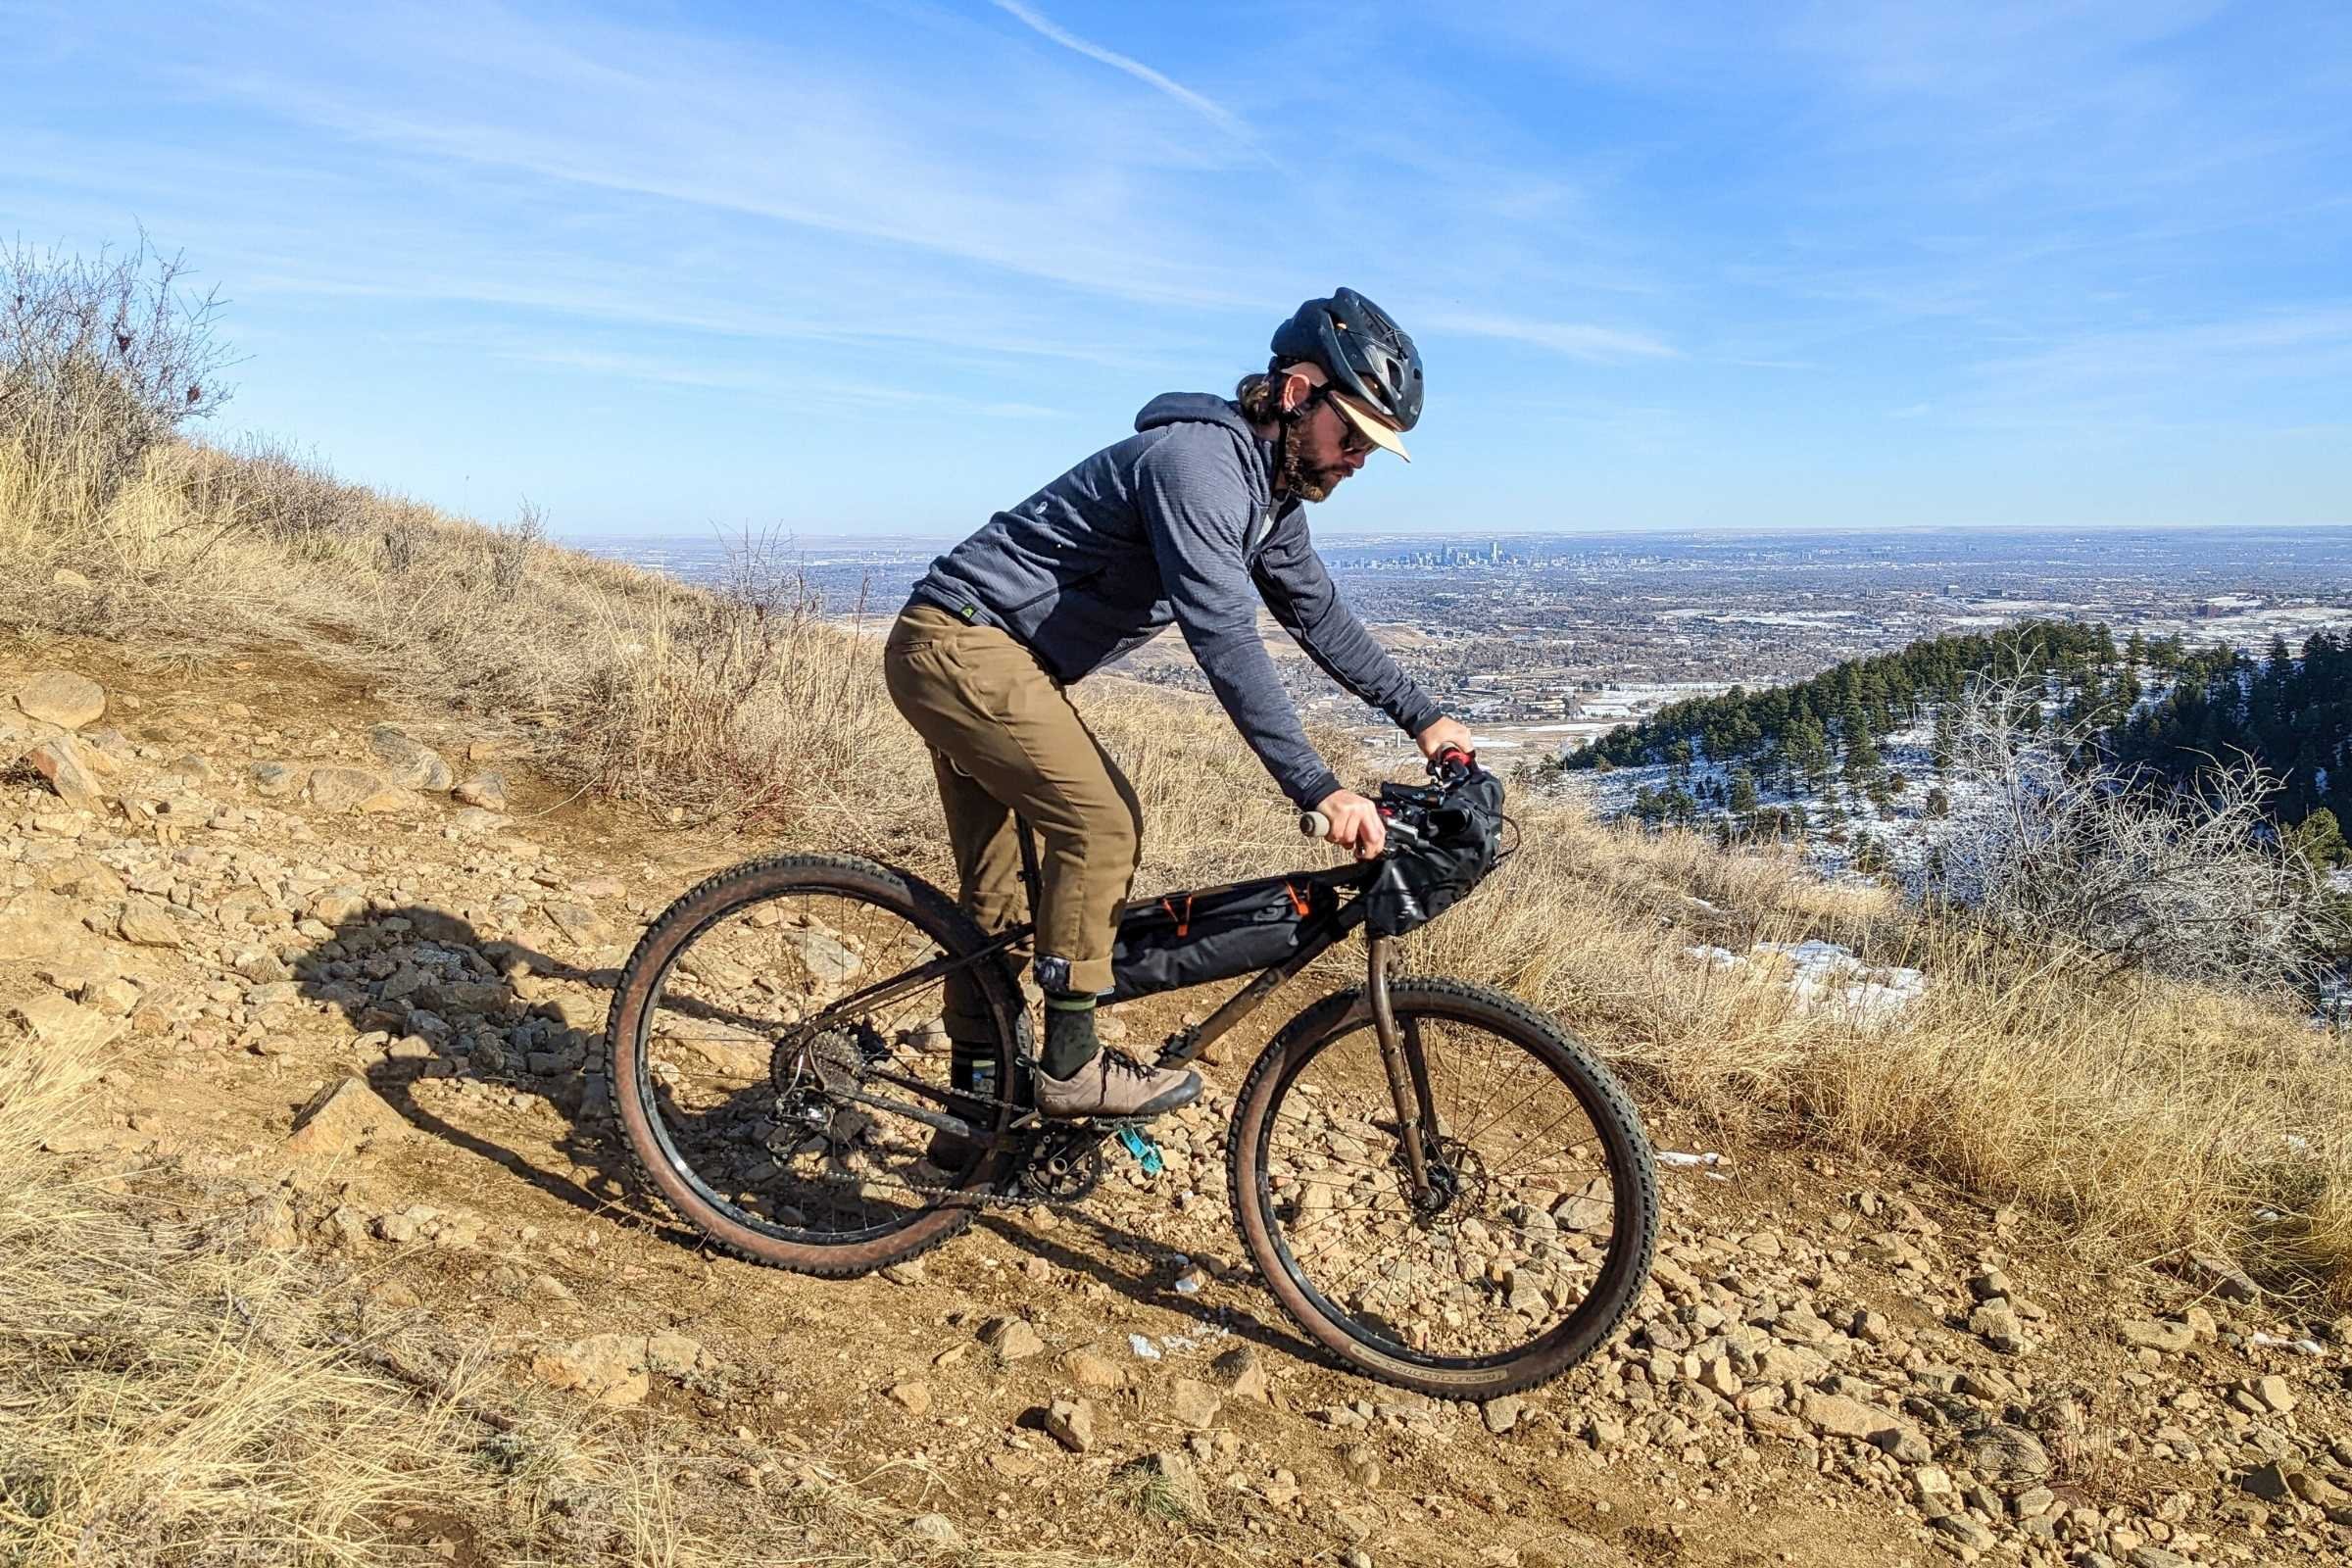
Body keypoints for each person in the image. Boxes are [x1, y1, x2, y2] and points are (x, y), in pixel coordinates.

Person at [883, 288, 1472, 1122]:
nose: (1358, 461)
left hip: (995, 658)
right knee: (1103, 825)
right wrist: (1317, 787)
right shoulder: (1198, 468)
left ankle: (973, 1123)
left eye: (1374, 449)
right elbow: (1225, 636)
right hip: (962, 644)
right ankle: (1071, 1068)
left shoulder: (1270, 498)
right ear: (1299, 393)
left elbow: (1315, 614)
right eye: (1356, 437)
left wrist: (1425, 718)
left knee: (1000, 915)